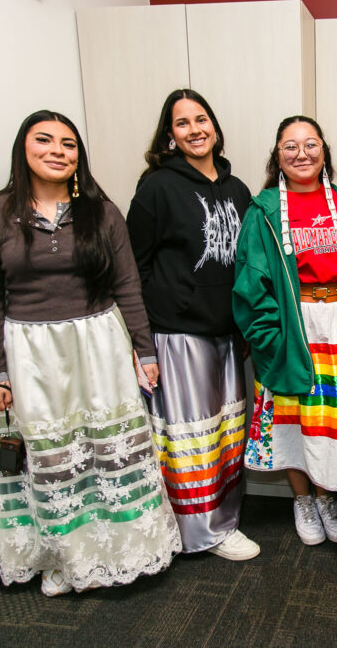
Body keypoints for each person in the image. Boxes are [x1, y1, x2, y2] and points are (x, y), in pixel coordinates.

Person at [0, 110, 181, 596]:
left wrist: (144, 351)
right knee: (53, 457)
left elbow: (128, 285)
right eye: (45, 141)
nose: (58, 151)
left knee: (111, 449)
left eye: (68, 144)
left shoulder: (101, 212)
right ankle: (65, 558)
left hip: (100, 343)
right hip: (33, 353)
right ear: (24, 149)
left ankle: (128, 549)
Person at [126, 89, 259, 560]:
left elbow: (246, 266)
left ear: (215, 127)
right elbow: (133, 269)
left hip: (227, 334)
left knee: (225, 433)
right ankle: (197, 532)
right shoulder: (156, 188)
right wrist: (142, 343)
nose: (195, 129)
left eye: (201, 119)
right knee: (190, 439)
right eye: (182, 123)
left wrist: (245, 329)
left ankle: (223, 521)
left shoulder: (239, 189)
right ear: (170, 136)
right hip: (177, 334)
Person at [233, 116, 337, 546]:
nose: (301, 154)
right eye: (290, 147)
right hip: (293, 328)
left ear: (324, 150)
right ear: (278, 156)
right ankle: (302, 499)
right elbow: (251, 285)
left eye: (310, 144)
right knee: (293, 423)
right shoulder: (264, 210)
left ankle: (328, 496)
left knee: (332, 423)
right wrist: (271, 340)